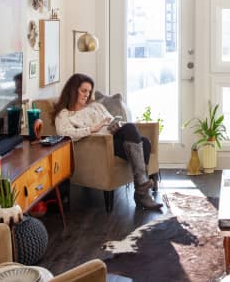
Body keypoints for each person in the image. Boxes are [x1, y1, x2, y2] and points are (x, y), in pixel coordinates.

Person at [54, 73, 161, 210]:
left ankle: (141, 192)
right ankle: (142, 193)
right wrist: (92, 129)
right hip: (101, 147)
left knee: (142, 139)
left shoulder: (95, 106)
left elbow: (110, 120)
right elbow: (65, 134)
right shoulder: (64, 114)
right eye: (83, 91)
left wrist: (115, 124)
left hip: (114, 136)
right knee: (142, 141)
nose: (87, 95)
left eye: (89, 91)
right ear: (73, 90)